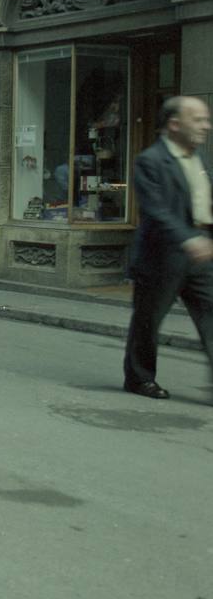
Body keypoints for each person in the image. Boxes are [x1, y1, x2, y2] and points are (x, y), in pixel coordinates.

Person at [123, 95, 213, 399]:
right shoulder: (150, 160)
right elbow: (155, 210)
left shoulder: (199, 160)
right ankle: (139, 378)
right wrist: (187, 239)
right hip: (161, 257)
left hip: (200, 256)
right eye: (198, 120)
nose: (206, 126)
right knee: (148, 320)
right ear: (174, 124)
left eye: (206, 120)